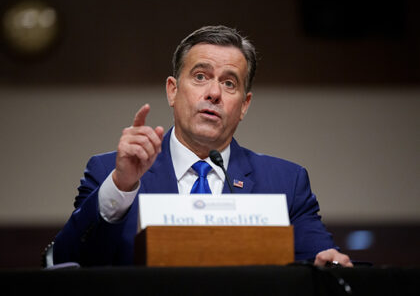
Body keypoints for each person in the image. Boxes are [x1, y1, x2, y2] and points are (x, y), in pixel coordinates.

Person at [53, 25, 352, 267]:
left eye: (229, 83)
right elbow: (66, 263)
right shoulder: (110, 172)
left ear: (244, 105)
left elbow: (323, 260)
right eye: (200, 76)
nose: (213, 93)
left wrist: (330, 264)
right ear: (172, 90)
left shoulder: (286, 183)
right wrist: (122, 185)